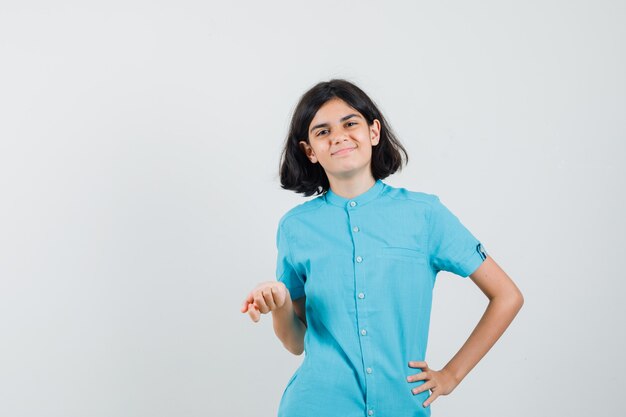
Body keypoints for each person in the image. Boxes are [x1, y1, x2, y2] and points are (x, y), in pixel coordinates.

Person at [240, 79, 524, 417]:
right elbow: (296, 342)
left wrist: (451, 376)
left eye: (350, 124)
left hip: (402, 408)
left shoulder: (425, 215)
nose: (339, 136)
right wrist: (280, 304)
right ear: (309, 151)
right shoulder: (296, 227)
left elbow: (507, 295)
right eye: (322, 132)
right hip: (316, 406)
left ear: (373, 132)